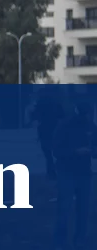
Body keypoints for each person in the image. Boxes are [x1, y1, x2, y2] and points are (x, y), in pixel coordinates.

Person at [52, 99, 96, 249]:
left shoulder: (91, 126)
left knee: (83, 209)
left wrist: (92, 151)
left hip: (85, 173)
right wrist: (75, 152)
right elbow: (56, 151)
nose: (87, 117)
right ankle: (60, 242)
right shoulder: (64, 126)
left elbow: (95, 147)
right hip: (66, 172)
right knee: (64, 209)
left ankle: (80, 240)